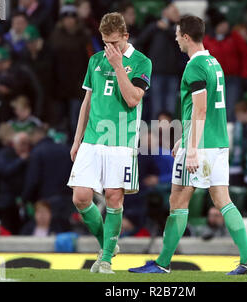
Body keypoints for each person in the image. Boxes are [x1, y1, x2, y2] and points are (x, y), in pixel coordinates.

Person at [129, 15, 247, 275]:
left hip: (201, 146)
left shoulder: (194, 66)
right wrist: (183, 138)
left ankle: (163, 263)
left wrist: (192, 149)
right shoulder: (214, 62)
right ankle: (246, 260)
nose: (175, 39)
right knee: (222, 199)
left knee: (178, 200)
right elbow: (199, 113)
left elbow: (200, 109)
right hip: (218, 142)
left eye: (177, 34)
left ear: (186, 36)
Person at [68, 12, 152, 274]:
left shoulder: (141, 62)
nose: (110, 48)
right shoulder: (94, 60)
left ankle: (105, 259)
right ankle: (107, 243)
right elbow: (87, 102)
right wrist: (76, 138)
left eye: (115, 42)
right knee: (80, 197)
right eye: (106, 42)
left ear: (126, 36)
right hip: (92, 139)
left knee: (114, 198)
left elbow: (133, 99)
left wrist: (118, 66)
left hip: (121, 140)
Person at [49, 5, 92, 133]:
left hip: (78, 86)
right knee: (60, 120)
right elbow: (51, 62)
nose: (69, 21)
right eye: (66, 18)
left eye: (72, 18)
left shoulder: (84, 36)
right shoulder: (54, 37)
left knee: (76, 121)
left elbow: (91, 59)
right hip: (59, 86)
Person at [135, 2, 181, 120]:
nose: (177, 13)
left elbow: (182, 45)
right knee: (156, 107)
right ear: (164, 12)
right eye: (174, 10)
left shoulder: (178, 29)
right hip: (155, 73)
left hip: (173, 74)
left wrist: (168, 30)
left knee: (170, 109)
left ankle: (168, 137)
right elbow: (139, 43)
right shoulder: (153, 27)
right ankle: (156, 137)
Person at [203, 11, 247, 122]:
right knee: (215, 108)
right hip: (213, 80)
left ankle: (229, 132)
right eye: (222, 24)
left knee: (230, 107)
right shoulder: (207, 40)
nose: (225, 26)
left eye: (225, 23)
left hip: (232, 79)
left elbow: (245, 54)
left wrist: (245, 74)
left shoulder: (235, 37)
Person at [23, 126, 72, 223]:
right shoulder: (65, 149)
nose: (31, 141)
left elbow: (33, 180)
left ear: (37, 135)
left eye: (31, 136)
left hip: (46, 200)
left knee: (50, 231)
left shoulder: (37, 151)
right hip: (67, 198)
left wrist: (26, 198)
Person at [0, 46, 43, 122]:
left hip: (25, 110)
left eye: (1, 63)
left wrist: (37, 113)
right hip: (5, 114)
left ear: (9, 61)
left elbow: (36, 92)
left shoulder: (22, 70)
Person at [0, 131, 30, 234]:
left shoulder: (30, 157)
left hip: (22, 201)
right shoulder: (5, 153)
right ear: (14, 143)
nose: (25, 147)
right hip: (6, 201)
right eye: (22, 143)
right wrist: (20, 160)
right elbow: (4, 171)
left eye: (27, 143)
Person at [20, 25, 55, 124]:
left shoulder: (48, 51)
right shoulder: (24, 54)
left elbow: (49, 71)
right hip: (32, 93)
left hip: (49, 92)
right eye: (27, 43)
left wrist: (37, 54)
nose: (29, 45)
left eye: (32, 42)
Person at [230, 102, 247, 187]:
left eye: (243, 113)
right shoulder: (233, 128)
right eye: (238, 114)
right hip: (236, 164)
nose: (240, 117)